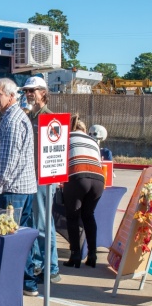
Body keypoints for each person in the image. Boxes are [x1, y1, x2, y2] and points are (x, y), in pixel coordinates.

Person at [0, 78, 38, 296]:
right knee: (20, 237)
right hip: (17, 188)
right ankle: (26, 281)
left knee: (11, 237)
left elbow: (10, 159)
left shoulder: (13, 120)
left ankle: (19, 282)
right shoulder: (11, 117)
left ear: (11, 96)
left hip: (11, 190)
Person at [23, 76, 61, 283]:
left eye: (33, 90)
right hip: (33, 176)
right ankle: (40, 263)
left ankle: (52, 266)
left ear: (43, 93)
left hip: (44, 177)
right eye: (27, 91)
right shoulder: (32, 117)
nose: (29, 94)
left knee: (44, 223)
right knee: (37, 223)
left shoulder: (49, 118)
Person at [63, 114, 105, 269]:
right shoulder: (92, 141)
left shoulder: (66, 138)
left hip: (78, 176)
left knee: (72, 217)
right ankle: (92, 254)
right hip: (98, 179)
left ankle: (75, 255)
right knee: (88, 216)